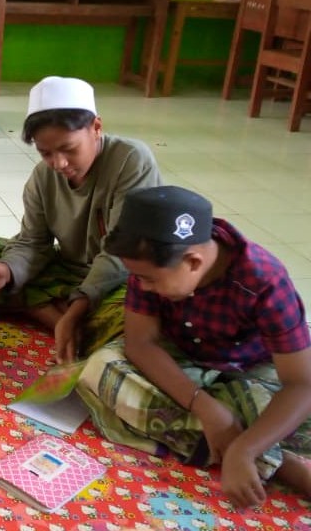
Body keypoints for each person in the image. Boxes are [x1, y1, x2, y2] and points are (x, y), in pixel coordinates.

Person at [76, 186, 311, 510]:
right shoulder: (152, 262)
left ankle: (244, 448)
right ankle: (277, 461)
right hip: (181, 363)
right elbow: (140, 343)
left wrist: (245, 449)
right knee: (99, 369)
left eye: (149, 280)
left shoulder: (264, 280)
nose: (142, 286)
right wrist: (204, 407)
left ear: (193, 262)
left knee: (272, 406)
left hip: (251, 372)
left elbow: (301, 384)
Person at [0, 76, 162, 364]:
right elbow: (33, 243)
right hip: (65, 271)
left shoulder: (131, 161)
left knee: (141, 318)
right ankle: (54, 315)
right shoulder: (42, 177)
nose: (59, 163)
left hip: (116, 279)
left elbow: (121, 255)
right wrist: (7, 270)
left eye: (69, 149)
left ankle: (47, 310)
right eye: (45, 153)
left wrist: (77, 307)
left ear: (96, 128)